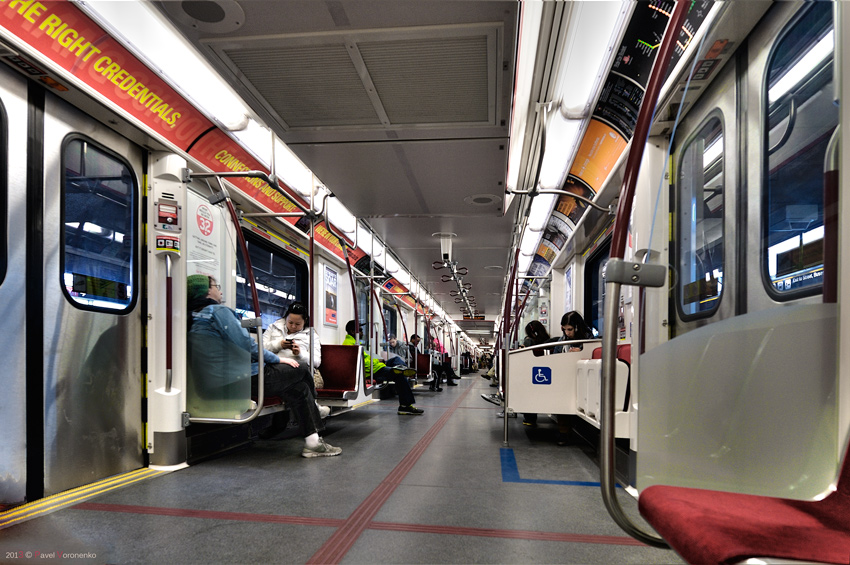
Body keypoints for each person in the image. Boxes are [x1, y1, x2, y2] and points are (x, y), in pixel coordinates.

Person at [187, 275, 341, 458]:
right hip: (239, 381)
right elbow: (249, 346)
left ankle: (313, 442)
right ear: (206, 291)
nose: (220, 291)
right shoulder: (217, 312)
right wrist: (277, 360)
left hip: (217, 382)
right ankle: (315, 408)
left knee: (299, 388)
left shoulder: (194, 316)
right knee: (300, 368)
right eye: (216, 286)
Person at [263, 302, 330, 418]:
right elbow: (261, 349)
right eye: (290, 322)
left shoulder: (311, 335)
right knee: (297, 385)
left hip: (296, 369)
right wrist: (279, 345)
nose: (293, 326)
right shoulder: (273, 327)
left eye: (298, 324)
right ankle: (314, 408)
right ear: (286, 318)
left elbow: (316, 362)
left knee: (298, 379)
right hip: (274, 368)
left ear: (305, 321)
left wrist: (300, 354)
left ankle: (289, 420)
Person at [343, 320, 424, 415]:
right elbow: (361, 363)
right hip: (373, 371)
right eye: (360, 330)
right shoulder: (350, 344)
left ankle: (404, 369)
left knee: (395, 359)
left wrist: (378, 361)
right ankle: (405, 406)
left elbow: (365, 359)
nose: (362, 332)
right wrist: (377, 363)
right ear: (353, 331)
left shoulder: (354, 343)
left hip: (376, 367)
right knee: (400, 375)